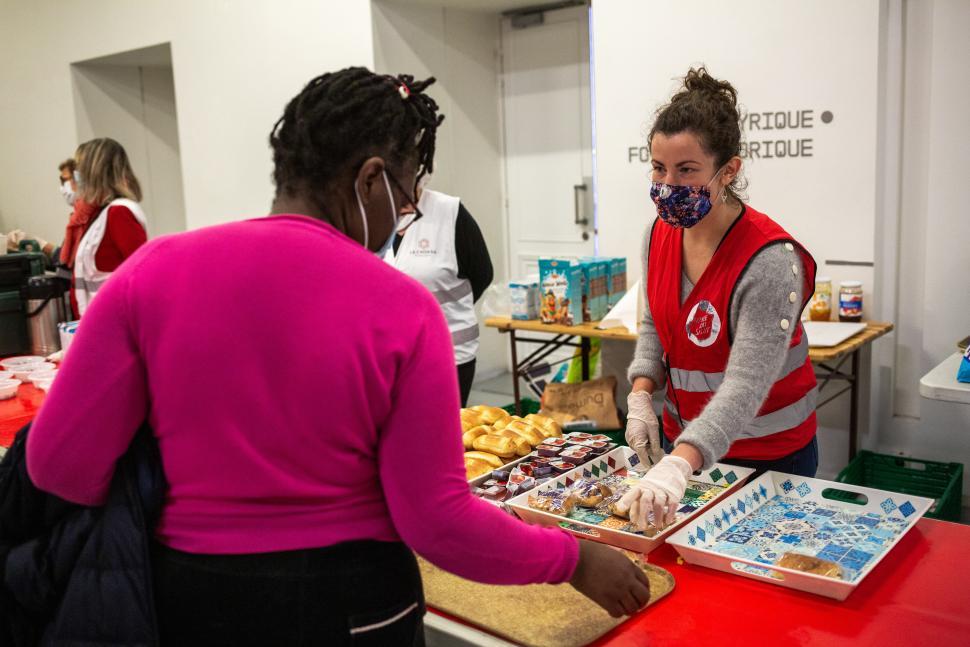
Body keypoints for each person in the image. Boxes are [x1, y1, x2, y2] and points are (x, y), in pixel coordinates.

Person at [26, 67, 649, 645]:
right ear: (370, 178)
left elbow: (58, 466)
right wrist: (574, 559)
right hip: (353, 607)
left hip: (188, 599)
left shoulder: (153, 272)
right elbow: (437, 522)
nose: (404, 215)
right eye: (404, 195)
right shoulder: (401, 310)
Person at [621, 67, 818, 533]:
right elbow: (655, 324)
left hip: (768, 457)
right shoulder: (659, 234)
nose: (668, 183)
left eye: (686, 170)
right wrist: (641, 395)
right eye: (658, 167)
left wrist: (678, 464)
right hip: (688, 448)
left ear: (729, 170)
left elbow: (747, 383)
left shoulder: (769, 259)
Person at [384, 182, 493, 406]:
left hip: (449, 354)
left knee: (438, 433)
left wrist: (444, 311)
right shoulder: (371, 216)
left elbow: (482, 273)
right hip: (389, 356)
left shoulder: (449, 211)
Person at [61, 138, 148, 317]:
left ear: (94, 172)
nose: (76, 177)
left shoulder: (119, 213)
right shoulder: (101, 213)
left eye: (79, 169)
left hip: (114, 324)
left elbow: (143, 273)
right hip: (97, 322)